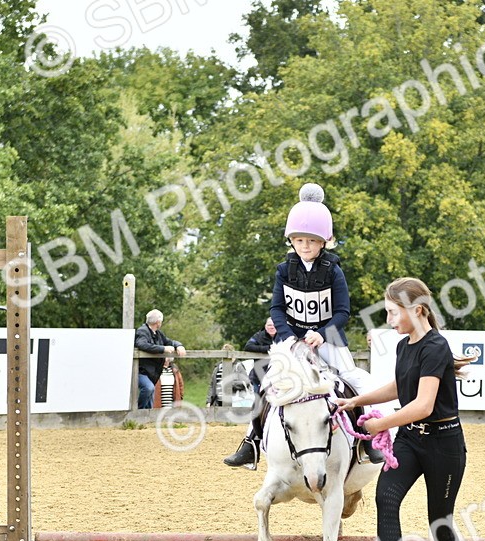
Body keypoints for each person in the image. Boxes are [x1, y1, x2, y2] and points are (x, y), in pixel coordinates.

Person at [336, 277, 470, 541]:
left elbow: (424, 404)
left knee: (439, 519)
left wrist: (380, 424)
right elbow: (401, 385)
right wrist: (357, 400)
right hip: (410, 440)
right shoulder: (403, 346)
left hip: (444, 443)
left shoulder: (436, 346)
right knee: (386, 497)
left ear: (418, 310)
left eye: (393, 313)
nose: (389, 320)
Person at [223, 183, 379, 468]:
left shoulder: (334, 271)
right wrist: (289, 338)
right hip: (291, 338)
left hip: (329, 338)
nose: (305, 246)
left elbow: (343, 312)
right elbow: (277, 309)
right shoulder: (284, 270)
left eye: (311, 241)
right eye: (299, 241)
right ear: (291, 241)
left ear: (323, 242)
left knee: (354, 380)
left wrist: (321, 335)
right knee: (267, 384)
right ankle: (251, 443)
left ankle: (367, 440)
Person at [135, 309, 185, 409]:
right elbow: (141, 344)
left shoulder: (158, 334)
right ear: (158, 322)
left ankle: (146, 420)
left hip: (151, 372)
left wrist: (179, 346)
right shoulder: (142, 331)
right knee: (148, 388)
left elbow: (170, 341)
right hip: (142, 371)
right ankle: (137, 412)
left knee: (150, 399)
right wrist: (163, 348)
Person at [242, 317, 278, 395]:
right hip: (259, 375)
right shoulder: (259, 335)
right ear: (265, 326)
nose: (272, 327)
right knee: (257, 401)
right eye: (269, 325)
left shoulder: (283, 336)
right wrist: (268, 348)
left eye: (274, 325)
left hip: (277, 376)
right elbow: (248, 347)